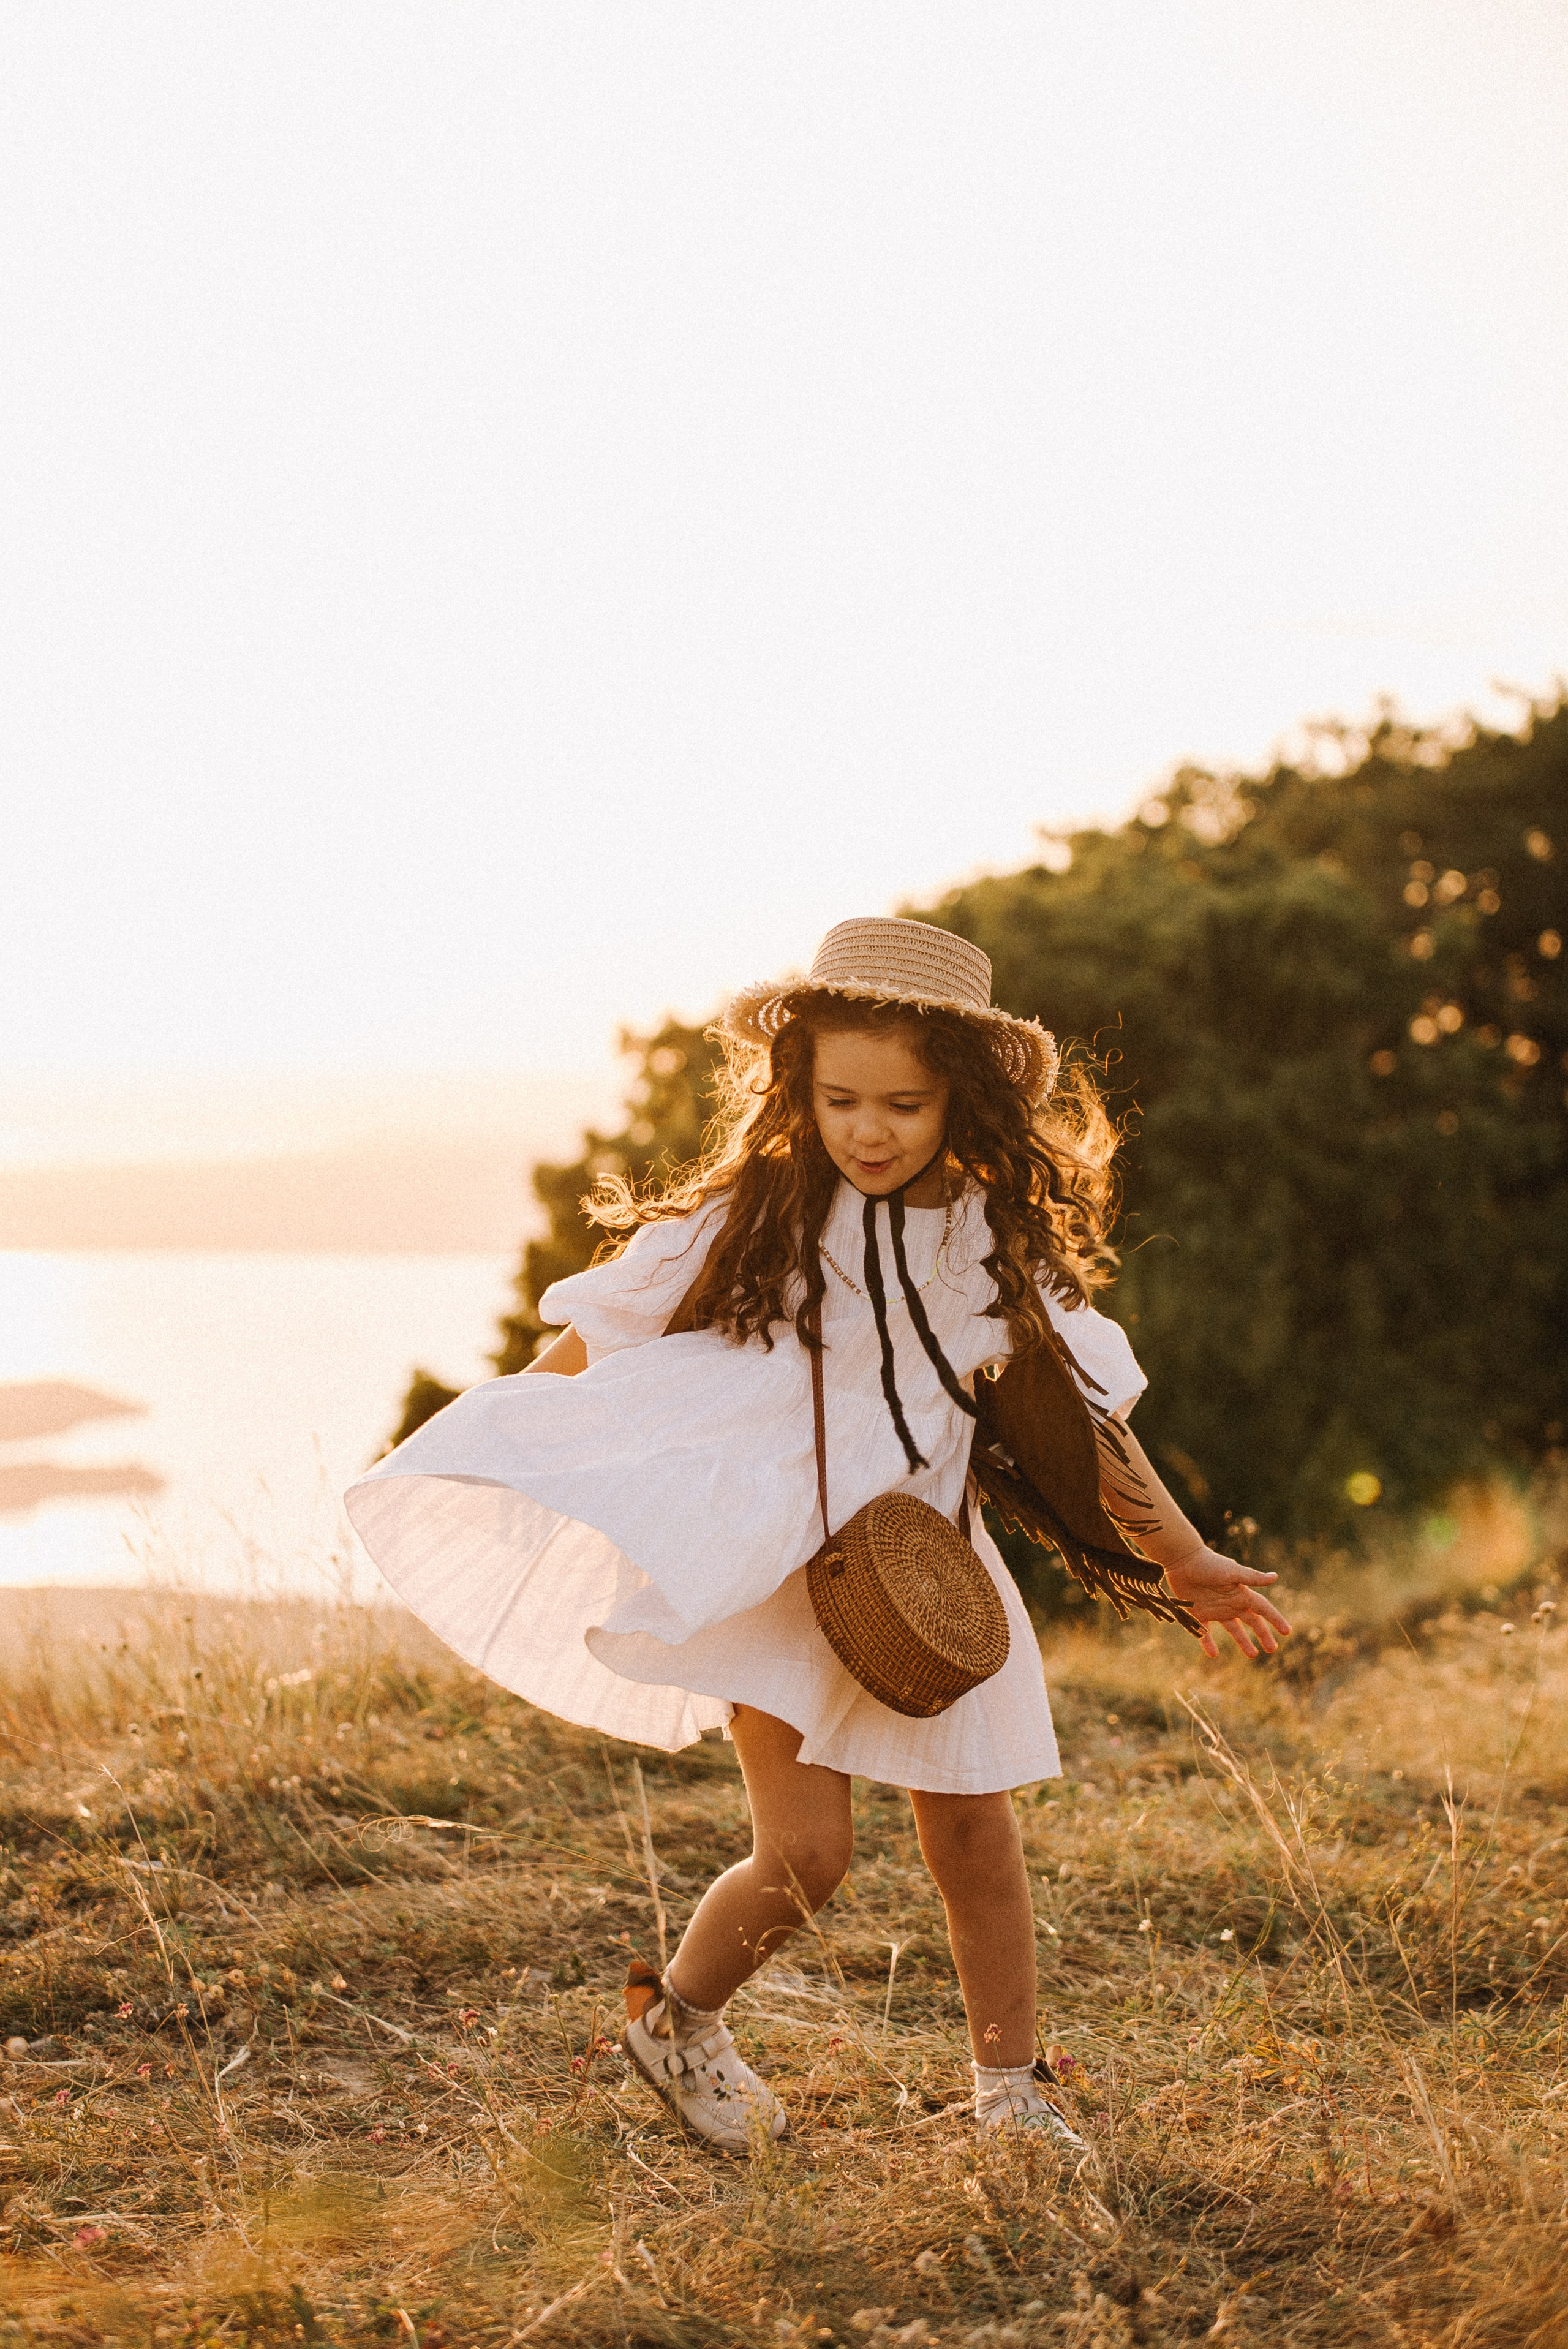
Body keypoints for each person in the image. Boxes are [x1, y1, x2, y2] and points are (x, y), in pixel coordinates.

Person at [346, 918, 1289, 2155]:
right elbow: (602, 1331)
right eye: (840, 1098)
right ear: (798, 1087)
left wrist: (1179, 1557)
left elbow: (1081, 1420)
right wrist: (531, 1436)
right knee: (806, 1853)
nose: (869, 1128)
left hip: (930, 1579)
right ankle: (677, 2020)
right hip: (779, 1569)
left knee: (974, 1836)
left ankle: (1009, 2103)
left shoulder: (991, 1242)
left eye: (902, 1102)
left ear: (962, 1096)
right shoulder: (760, 1211)